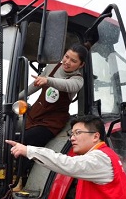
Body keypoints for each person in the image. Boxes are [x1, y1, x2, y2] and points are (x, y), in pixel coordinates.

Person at [14, 43, 87, 191]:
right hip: (35, 115)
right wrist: (14, 98)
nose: (67, 62)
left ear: (81, 64)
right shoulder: (52, 66)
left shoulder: (78, 80)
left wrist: (47, 80)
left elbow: (65, 86)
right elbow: (35, 85)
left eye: (73, 61)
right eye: (66, 57)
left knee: (28, 139)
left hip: (51, 122)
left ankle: (20, 179)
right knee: (8, 131)